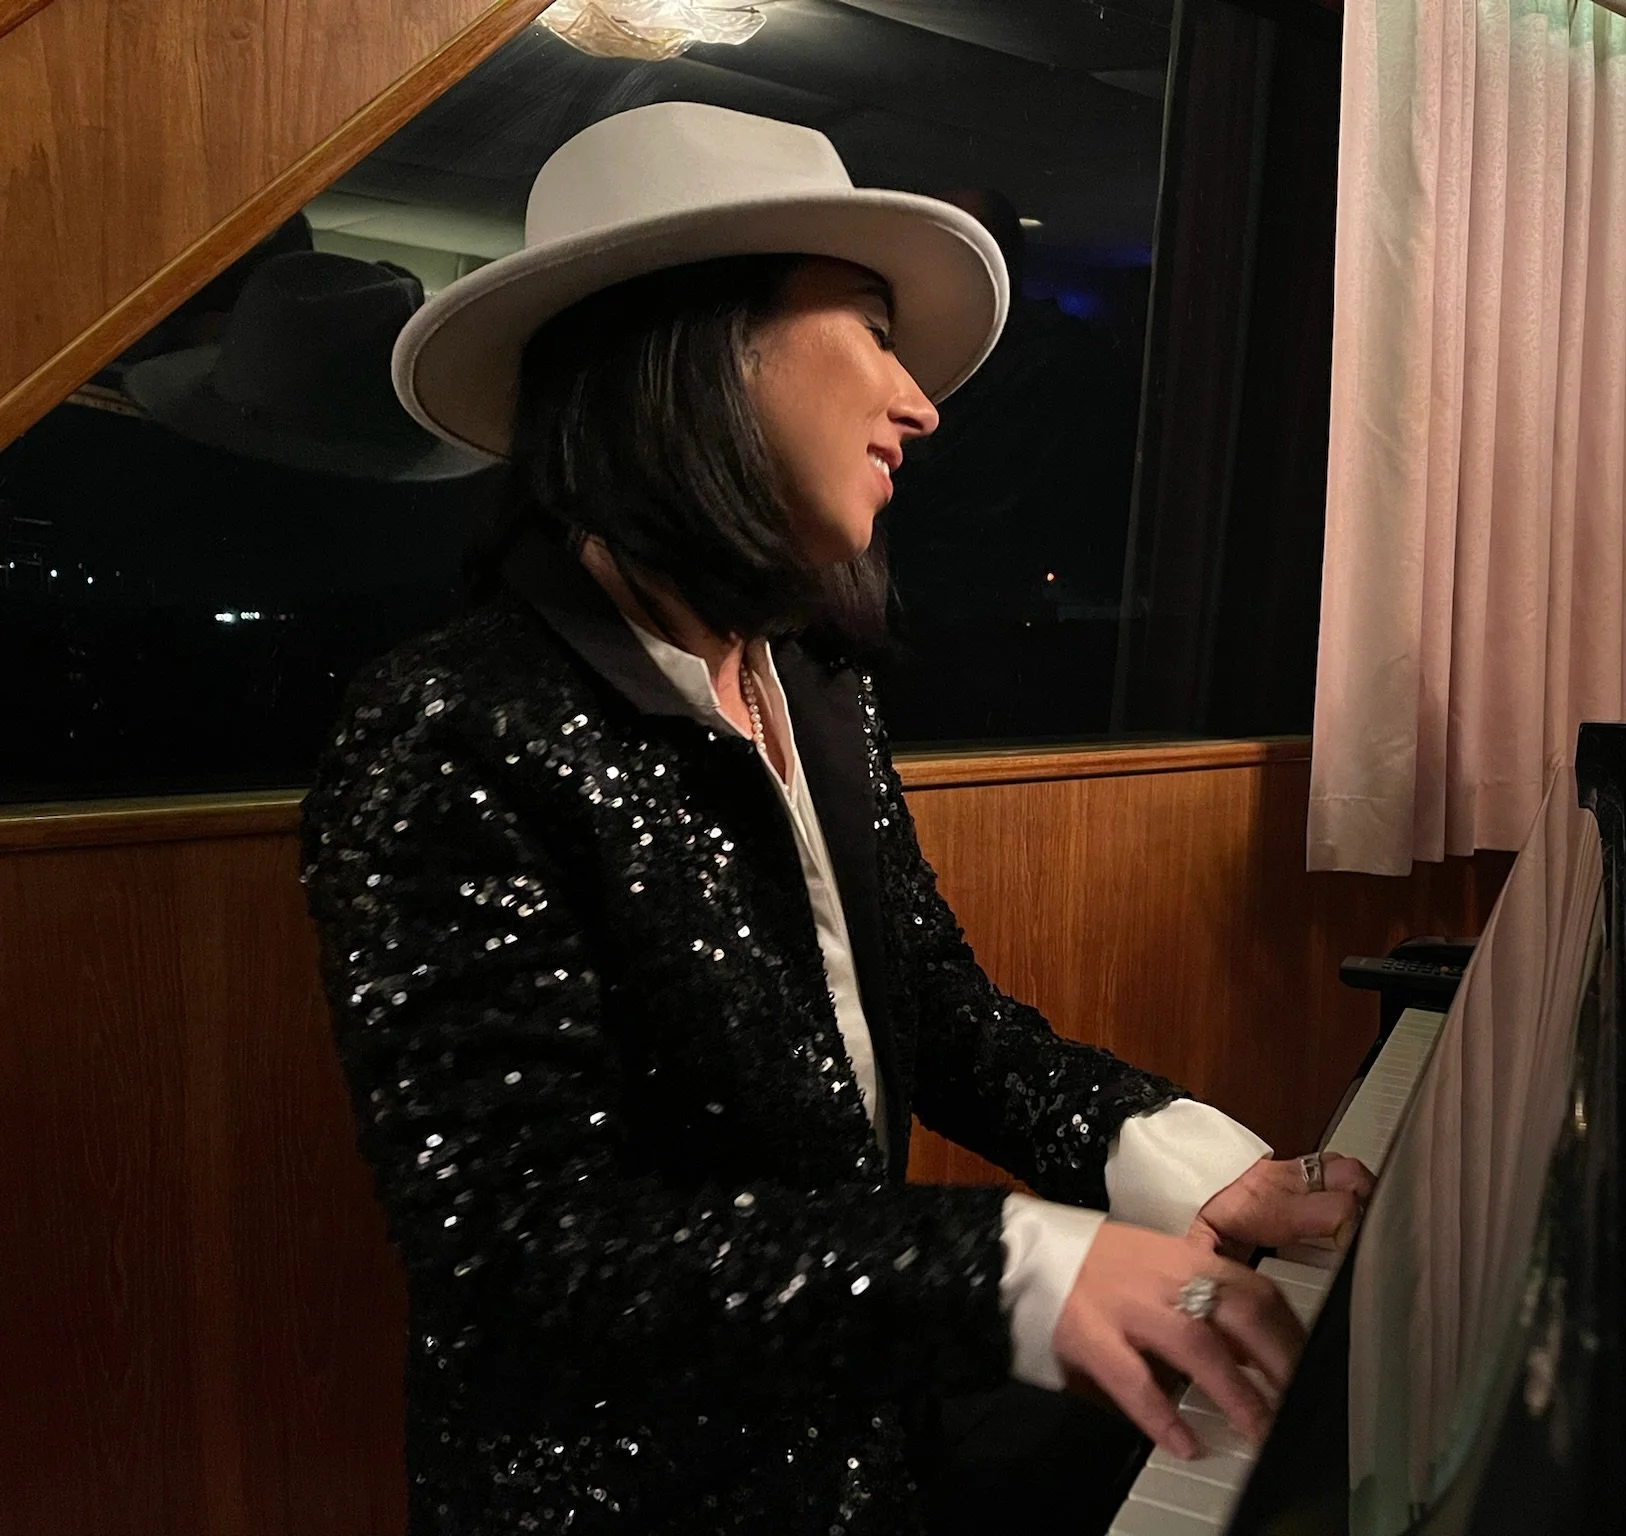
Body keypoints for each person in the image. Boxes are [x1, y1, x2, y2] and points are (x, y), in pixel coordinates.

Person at [299, 103, 1371, 1535]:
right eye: (869, 328)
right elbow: (522, 1248)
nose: (919, 401)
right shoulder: (446, 726)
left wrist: (1190, 1168)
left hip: (861, 1431)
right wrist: (1019, 1267)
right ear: (700, 355)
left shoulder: (812, 677)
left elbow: (934, 1004)